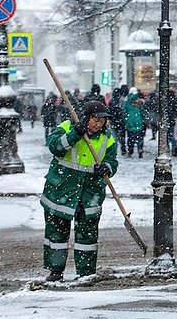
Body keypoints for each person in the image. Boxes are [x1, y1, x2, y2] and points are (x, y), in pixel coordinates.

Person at [40, 100, 118, 281]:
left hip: (89, 193)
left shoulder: (108, 138)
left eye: (102, 120)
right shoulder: (67, 127)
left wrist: (107, 168)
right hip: (61, 190)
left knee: (87, 236)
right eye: (95, 119)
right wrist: (75, 133)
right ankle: (55, 270)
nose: (99, 124)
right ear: (86, 117)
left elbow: (113, 161)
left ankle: (86, 272)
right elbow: (55, 147)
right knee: (57, 234)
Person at [123, 92, 146, 158]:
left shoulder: (127, 104)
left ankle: (130, 151)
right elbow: (143, 113)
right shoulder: (139, 105)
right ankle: (140, 150)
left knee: (130, 139)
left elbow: (123, 113)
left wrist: (126, 120)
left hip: (130, 124)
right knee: (139, 139)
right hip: (138, 124)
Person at [167, 87, 177, 157]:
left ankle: (166, 148)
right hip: (172, 119)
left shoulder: (164, 100)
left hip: (165, 119)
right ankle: (174, 147)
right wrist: (174, 116)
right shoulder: (175, 100)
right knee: (171, 134)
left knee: (165, 135)